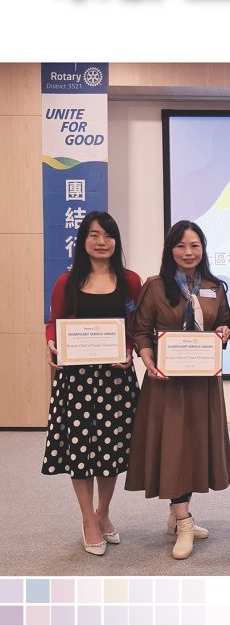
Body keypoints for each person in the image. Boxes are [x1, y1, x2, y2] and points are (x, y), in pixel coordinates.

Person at [125, 221, 230, 560]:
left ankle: (177, 516)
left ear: (203, 249)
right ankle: (184, 521)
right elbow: (140, 331)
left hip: (203, 383)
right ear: (170, 250)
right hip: (167, 383)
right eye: (181, 246)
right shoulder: (155, 286)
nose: (188, 252)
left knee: (194, 448)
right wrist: (147, 359)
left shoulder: (215, 287)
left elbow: (224, 322)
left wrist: (225, 331)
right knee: (174, 448)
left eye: (194, 245)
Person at [42, 212, 141, 555]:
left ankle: (103, 512)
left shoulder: (130, 280)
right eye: (94, 235)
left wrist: (130, 349)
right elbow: (53, 322)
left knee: (111, 451)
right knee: (81, 451)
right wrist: (51, 342)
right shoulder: (66, 282)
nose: (102, 242)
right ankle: (88, 519)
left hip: (116, 377)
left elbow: (135, 326)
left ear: (116, 241)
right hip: (77, 381)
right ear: (83, 241)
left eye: (108, 235)